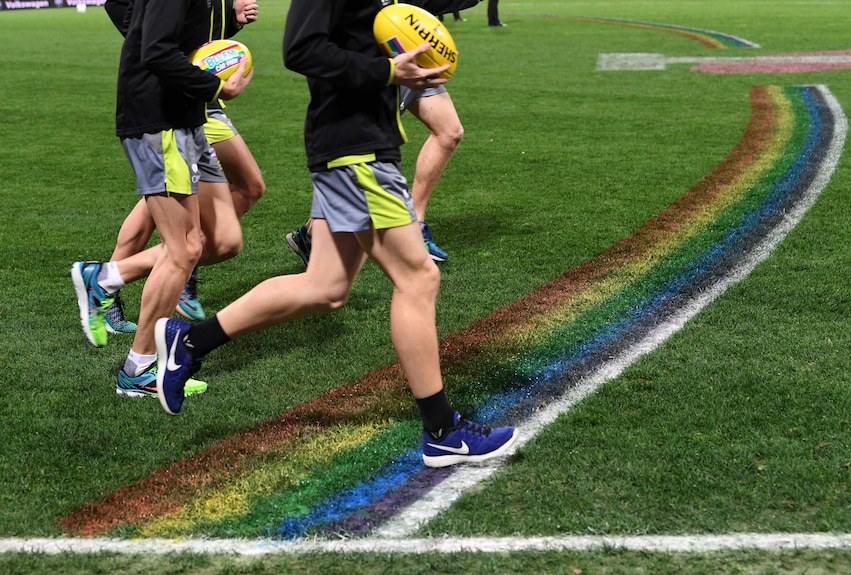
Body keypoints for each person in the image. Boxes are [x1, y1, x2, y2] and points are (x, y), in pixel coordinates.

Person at [153, 0, 518, 468]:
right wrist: (388, 71)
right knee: (418, 278)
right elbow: (301, 49)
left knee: (324, 288)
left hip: (358, 145)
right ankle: (442, 431)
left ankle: (189, 342)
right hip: (356, 150)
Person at [72, 0, 253, 397]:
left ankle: (105, 277)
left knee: (224, 239)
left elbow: (177, 34)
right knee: (185, 247)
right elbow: (154, 48)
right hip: (160, 122)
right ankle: (138, 371)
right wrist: (216, 85)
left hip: (187, 117)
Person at [102, 0, 265, 336]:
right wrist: (151, 41)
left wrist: (231, 22)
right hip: (175, 98)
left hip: (195, 97)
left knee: (235, 206)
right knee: (181, 230)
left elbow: (190, 29)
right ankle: (110, 286)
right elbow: (150, 36)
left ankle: (112, 280)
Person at [285, 1, 477, 266]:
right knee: (354, 157)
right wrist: (386, 71)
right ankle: (314, 233)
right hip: (384, 60)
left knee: (450, 131)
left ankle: (414, 221)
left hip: (410, 53)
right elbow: (303, 49)